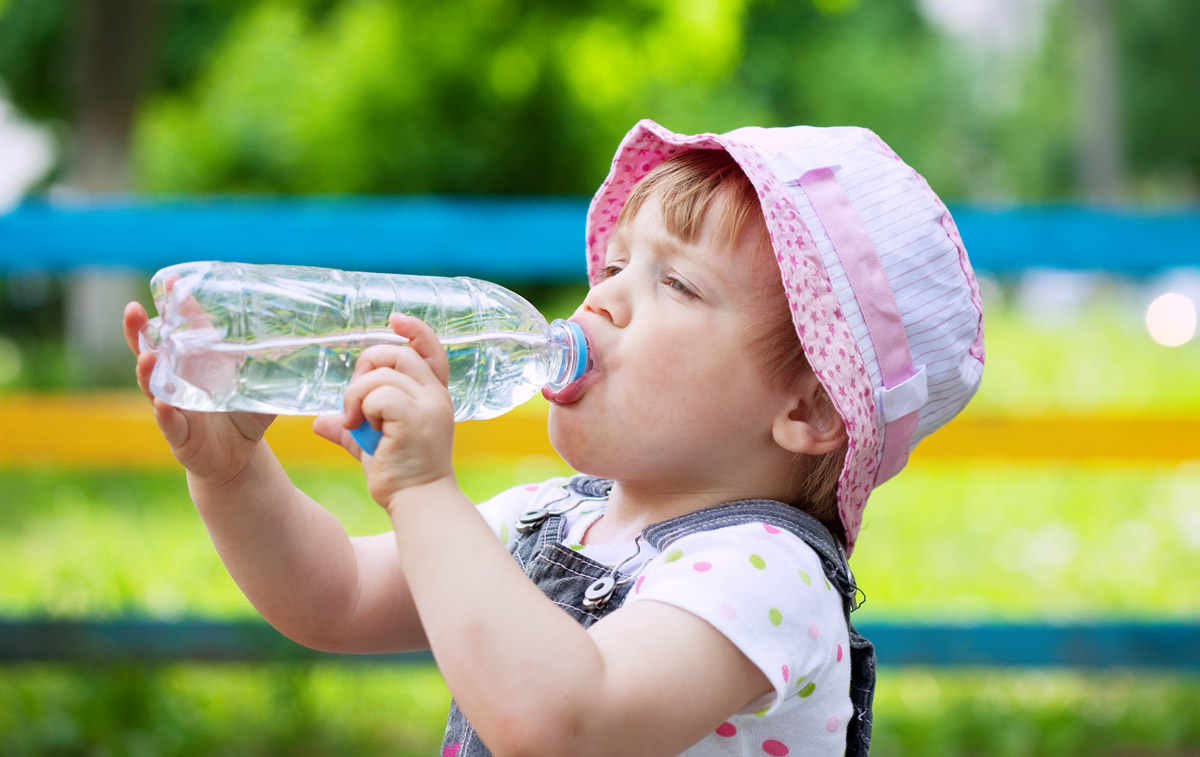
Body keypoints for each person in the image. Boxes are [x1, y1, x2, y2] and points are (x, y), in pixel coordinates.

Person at [122, 119, 985, 756]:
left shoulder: (769, 574)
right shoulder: (551, 517)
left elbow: (564, 721)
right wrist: (233, 474)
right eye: (613, 265)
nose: (601, 297)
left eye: (677, 284)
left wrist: (424, 492)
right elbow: (337, 597)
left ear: (809, 409)